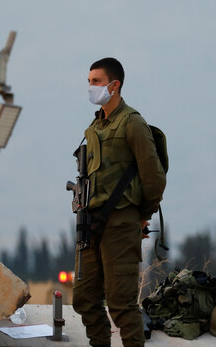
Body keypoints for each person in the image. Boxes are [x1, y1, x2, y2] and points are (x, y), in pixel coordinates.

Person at [72, 57, 167, 347]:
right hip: (92, 223)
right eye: (89, 81)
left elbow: (153, 176)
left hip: (121, 223)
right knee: (84, 299)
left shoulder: (132, 123)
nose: (91, 87)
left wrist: (143, 214)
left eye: (96, 81)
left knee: (121, 303)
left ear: (114, 85)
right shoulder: (95, 126)